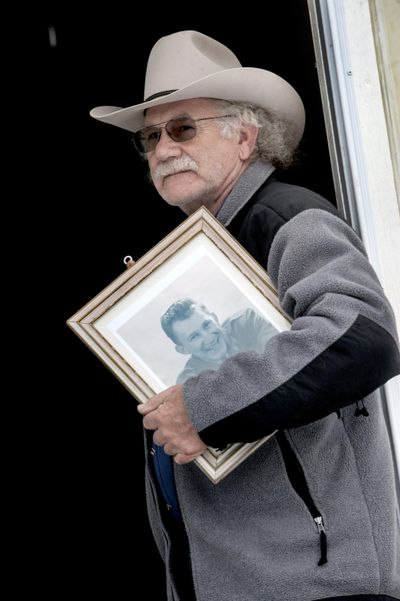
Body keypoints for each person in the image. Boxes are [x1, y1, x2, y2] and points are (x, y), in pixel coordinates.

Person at [90, 30, 400, 601]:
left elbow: (364, 336)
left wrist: (201, 406)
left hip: (316, 582)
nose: (161, 148)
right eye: (150, 136)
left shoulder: (289, 219)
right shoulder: (200, 252)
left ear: (245, 137)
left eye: (182, 128)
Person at [161, 298, 278, 384]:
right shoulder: (189, 383)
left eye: (207, 325)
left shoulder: (248, 321)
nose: (209, 338)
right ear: (183, 349)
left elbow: (283, 356)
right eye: (194, 337)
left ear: (215, 318)